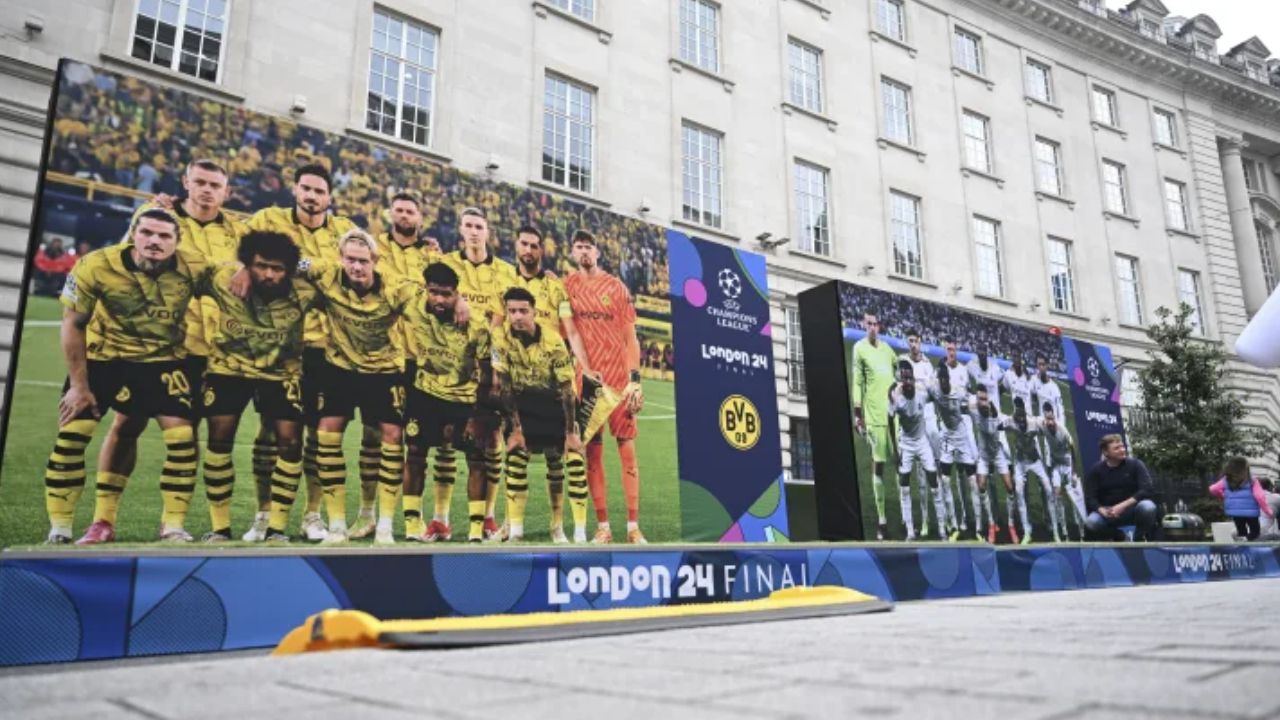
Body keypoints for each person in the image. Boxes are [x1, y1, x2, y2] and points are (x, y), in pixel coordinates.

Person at [45, 209, 203, 544]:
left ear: (178, 241)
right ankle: (63, 529)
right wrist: (78, 386)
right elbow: (73, 324)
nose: (155, 241)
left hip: (163, 360)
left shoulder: (195, 267)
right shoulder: (96, 265)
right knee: (73, 434)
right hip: (104, 357)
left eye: (164, 236)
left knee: (182, 438)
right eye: (147, 232)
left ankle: (172, 526)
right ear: (133, 233)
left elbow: (233, 280)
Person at [248, 163, 358, 542]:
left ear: (330, 197)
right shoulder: (268, 219)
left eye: (319, 191)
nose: (312, 196)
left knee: (316, 435)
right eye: (306, 189)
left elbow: (355, 267)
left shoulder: (345, 231)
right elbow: (243, 256)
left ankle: (312, 516)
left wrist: (302, 264)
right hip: (278, 343)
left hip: (324, 348)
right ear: (295, 190)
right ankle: (263, 514)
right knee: (271, 432)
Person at [293, 230, 419, 544]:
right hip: (341, 367)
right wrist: (244, 267)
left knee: (391, 436)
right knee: (326, 432)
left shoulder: (395, 288)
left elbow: (425, 301)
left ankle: (383, 525)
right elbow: (287, 261)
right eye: (350, 259)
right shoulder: (324, 272)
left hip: (384, 369)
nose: (356, 267)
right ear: (340, 258)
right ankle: (336, 526)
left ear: (375, 261)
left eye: (363, 261)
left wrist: (458, 303)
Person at [197, 231, 315, 542]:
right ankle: (220, 528)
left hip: (281, 372)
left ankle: (276, 528)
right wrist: (238, 266)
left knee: (290, 443)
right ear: (249, 262)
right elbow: (184, 270)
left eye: (278, 269)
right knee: (220, 440)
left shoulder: (304, 291)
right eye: (261, 266)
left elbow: (331, 270)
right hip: (228, 368)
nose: (269, 274)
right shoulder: (223, 278)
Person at [439, 207, 518, 540]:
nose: (473, 231)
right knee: (444, 438)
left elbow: (503, 326)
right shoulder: (445, 264)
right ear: (461, 229)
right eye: (468, 225)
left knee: (490, 441)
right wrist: (456, 298)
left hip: (488, 370)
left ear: (488, 232)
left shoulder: (505, 272)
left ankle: (487, 516)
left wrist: (498, 366)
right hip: (449, 366)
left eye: (479, 226)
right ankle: (439, 518)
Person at [509, 225, 593, 540]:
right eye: (524, 244)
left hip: (551, 381)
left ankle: (558, 524)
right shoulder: (505, 279)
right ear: (516, 246)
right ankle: (509, 523)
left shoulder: (555, 288)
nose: (528, 251)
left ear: (541, 250)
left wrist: (584, 366)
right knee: (510, 448)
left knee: (558, 458)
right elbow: (494, 324)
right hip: (518, 382)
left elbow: (570, 330)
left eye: (534, 245)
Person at [564, 229, 646, 544]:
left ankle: (633, 527)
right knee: (593, 455)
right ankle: (603, 527)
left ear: (598, 251)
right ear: (573, 252)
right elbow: (568, 333)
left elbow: (630, 337)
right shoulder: (566, 287)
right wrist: (582, 372)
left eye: (589, 246)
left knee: (627, 452)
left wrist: (635, 381)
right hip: (588, 383)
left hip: (619, 382)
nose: (584, 251)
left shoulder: (616, 287)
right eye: (579, 246)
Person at [400, 262, 490, 543]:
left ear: (457, 294)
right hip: (424, 390)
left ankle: (476, 528)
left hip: (463, 396)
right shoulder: (413, 303)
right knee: (414, 452)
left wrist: (479, 415)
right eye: (434, 292)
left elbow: (487, 374)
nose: (439, 300)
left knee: (475, 457)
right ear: (425, 289)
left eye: (447, 294)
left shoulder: (475, 326)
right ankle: (412, 523)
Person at [492, 287, 589, 543]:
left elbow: (567, 390)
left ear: (534, 312)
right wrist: (515, 429)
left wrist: (570, 433)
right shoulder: (500, 340)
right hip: (522, 404)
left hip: (554, 404)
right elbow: (504, 386)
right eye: (512, 311)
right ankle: (515, 531)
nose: (517, 317)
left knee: (565, 462)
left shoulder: (553, 340)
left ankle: (563, 530)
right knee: (515, 457)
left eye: (524, 311)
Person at [888, 360, 948, 542]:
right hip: (906, 443)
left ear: (913, 379)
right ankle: (910, 531)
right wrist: (895, 450)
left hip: (922, 441)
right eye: (903, 378)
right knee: (904, 487)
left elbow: (939, 396)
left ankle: (942, 529)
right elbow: (889, 420)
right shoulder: (896, 398)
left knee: (934, 482)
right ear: (900, 379)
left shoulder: (922, 393)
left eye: (909, 378)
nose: (907, 381)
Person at [851, 310, 898, 540]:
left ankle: (907, 521)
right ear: (863, 324)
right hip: (874, 418)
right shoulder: (859, 348)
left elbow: (899, 373)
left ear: (879, 326)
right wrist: (857, 414)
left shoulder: (888, 350)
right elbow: (858, 382)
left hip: (894, 417)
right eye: (868, 323)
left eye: (875, 324)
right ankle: (882, 521)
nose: (872, 327)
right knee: (878, 465)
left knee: (902, 464)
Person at [1083, 434, 1159, 542]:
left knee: (1148, 507)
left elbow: (1147, 489)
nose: (1122, 450)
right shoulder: (1096, 470)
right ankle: (1119, 536)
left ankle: (1138, 538)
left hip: (1132, 509)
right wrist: (1102, 510)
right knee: (1091, 522)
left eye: (1122, 446)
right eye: (1116, 448)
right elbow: (1090, 497)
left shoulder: (1136, 464)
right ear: (1106, 452)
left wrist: (1122, 506)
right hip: (1108, 512)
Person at [1005, 398, 1061, 543]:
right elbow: (996, 424)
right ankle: (1027, 531)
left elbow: (1049, 428)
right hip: (1020, 461)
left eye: (1023, 417)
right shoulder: (1010, 421)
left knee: (1048, 489)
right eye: (1018, 418)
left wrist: (1051, 423)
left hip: (1035, 460)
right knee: (1018, 491)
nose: (1021, 421)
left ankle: (1055, 531)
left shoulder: (1035, 422)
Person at [969, 387, 1017, 544]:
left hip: (997, 455)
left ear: (988, 400)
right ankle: (991, 523)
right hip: (983, 457)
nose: (982, 402)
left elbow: (1011, 423)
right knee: (981, 486)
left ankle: (1011, 525)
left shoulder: (996, 416)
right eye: (979, 399)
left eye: (984, 399)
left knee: (1010, 487)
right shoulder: (973, 409)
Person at [932, 362, 974, 542]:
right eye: (940, 379)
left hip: (962, 436)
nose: (942, 382)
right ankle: (954, 525)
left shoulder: (958, 391)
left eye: (945, 378)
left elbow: (971, 400)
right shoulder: (933, 390)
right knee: (946, 480)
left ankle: (974, 523)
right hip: (947, 439)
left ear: (948, 379)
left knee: (969, 479)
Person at [1042, 405, 1086, 540]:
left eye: (1052, 419)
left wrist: (1073, 472)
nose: (1050, 422)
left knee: (1074, 497)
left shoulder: (1063, 430)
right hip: (1056, 466)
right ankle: (1064, 532)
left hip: (1068, 465)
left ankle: (1082, 533)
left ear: (1055, 418)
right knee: (1057, 495)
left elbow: (1073, 450)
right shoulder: (1042, 427)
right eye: (1047, 419)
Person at [1207, 457, 1273, 541]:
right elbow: (1259, 496)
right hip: (1251, 512)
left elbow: (1212, 489)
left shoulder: (1226, 481)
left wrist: (1223, 495)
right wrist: (1268, 511)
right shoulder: (1252, 481)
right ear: (1245, 469)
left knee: (1241, 531)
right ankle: (1246, 540)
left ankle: (1244, 547)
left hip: (1235, 512)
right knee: (1255, 532)